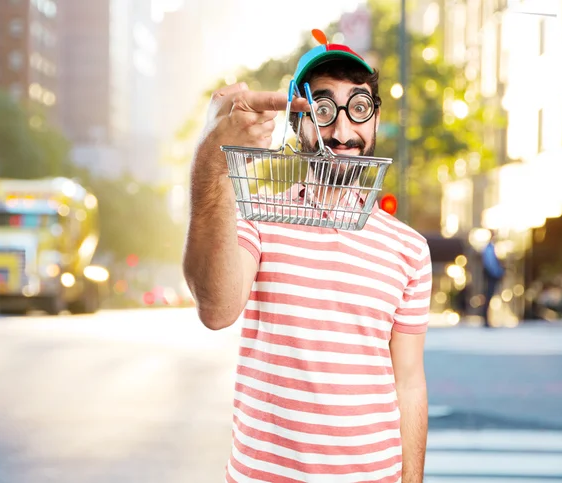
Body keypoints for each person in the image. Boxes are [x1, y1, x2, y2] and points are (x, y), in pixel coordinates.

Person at [183, 31, 432, 483]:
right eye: (322, 110)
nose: (341, 131)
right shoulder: (258, 219)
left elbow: (409, 384)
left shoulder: (409, 249)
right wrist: (212, 160)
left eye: (358, 108)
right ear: (297, 122)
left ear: (374, 119)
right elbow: (216, 310)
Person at [481, 232, 505, 327]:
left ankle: (486, 319)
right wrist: (498, 273)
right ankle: (486, 319)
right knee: (488, 297)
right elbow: (490, 264)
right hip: (491, 276)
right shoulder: (489, 249)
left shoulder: (490, 248)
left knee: (488, 297)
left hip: (491, 275)